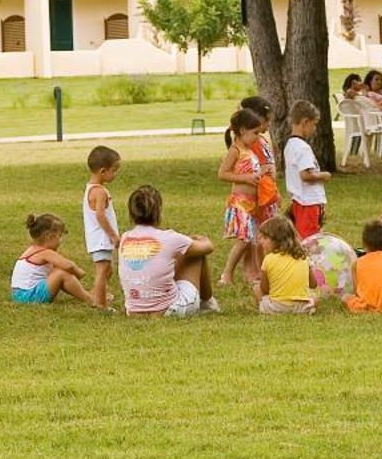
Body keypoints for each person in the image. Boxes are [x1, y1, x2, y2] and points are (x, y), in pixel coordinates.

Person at [118, 184, 218, 317]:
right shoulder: (170, 238)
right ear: (158, 212)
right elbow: (208, 248)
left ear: (131, 213)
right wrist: (200, 239)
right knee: (196, 254)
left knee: (173, 256)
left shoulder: (125, 238)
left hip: (133, 311)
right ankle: (208, 303)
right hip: (168, 310)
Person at [216, 106, 273, 288]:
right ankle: (226, 274)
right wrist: (246, 178)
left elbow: (251, 170)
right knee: (244, 240)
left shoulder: (249, 150)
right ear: (242, 131)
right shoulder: (235, 150)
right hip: (240, 203)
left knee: (255, 240)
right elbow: (223, 174)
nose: (258, 137)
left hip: (253, 204)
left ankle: (259, 273)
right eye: (255, 133)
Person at [9, 213, 100, 307]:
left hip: (19, 295)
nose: (61, 240)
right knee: (61, 273)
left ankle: (86, 294)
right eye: (60, 236)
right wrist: (79, 273)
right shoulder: (45, 252)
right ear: (50, 237)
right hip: (29, 296)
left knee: (59, 273)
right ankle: (91, 299)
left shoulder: (32, 249)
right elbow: (68, 265)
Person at [283, 99, 331, 239]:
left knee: (303, 235)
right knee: (310, 239)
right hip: (309, 201)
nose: (315, 129)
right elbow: (306, 175)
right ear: (305, 122)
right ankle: (308, 261)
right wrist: (323, 175)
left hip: (299, 200)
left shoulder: (290, 145)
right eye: (314, 124)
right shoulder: (302, 148)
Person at [82, 145, 122, 309]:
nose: (116, 174)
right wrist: (113, 235)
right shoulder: (100, 192)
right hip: (101, 239)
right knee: (102, 271)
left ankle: (100, 293)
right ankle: (100, 304)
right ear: (103, 171)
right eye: (114, 170)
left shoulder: (90, 188)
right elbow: (100, 215)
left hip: (98, 239)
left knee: (107, 270)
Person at [253, 217, 317, 314]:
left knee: (256, 288)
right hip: (302, 308)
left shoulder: (268, 259)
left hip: (276, 308)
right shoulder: (303, 257)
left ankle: (265, 309)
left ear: (277, 240)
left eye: (265, 238)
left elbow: (264, 289)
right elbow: (313, 284)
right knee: (315, 297)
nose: (262, 241)